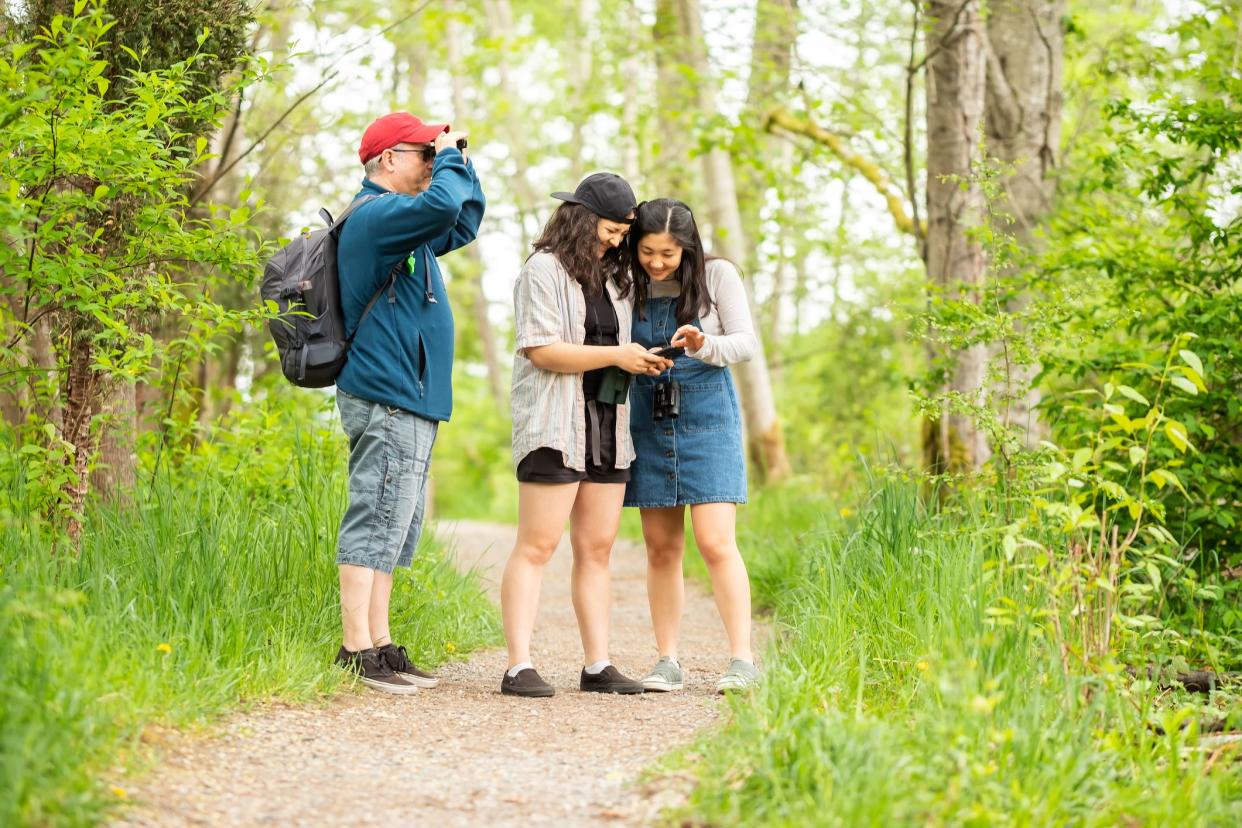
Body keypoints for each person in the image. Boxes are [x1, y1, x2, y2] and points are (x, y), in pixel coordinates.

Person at [500, 173, 671, 697]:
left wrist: (638, 360)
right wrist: (616, 355)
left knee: (597, 548)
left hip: (607, 427)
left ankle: (597, 665)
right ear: (580, 218)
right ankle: (517, 665)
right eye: (611, 231)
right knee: (537, 544)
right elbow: (542, 350)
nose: (616, 242)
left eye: (623, 234)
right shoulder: (542, 271)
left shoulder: (616, 280)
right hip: (554, 425)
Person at [332, 112, 485, 694]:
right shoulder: (375, 215)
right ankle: (354, 649)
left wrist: (460, 158)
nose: (431, 159)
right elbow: (443, 207)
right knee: (376, 515)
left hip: (411, 396)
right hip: (387, 394)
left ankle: (379, 643)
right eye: (423, 150)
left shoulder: (405, 222)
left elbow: (463, 219)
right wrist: (447, 164)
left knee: (398, 524)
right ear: (387, 159)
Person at [624, 198, 761, 694]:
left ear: (688, 247)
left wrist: (705, 345)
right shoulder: (626, 283)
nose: (657, 263)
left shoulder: (719, 275)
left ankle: (742, 659)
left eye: (668, 254)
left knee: (715, 542)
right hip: (648, 416)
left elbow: (744, 342)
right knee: (662, 547)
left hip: (709, 418)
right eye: (647, 252)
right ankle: (667, 660)